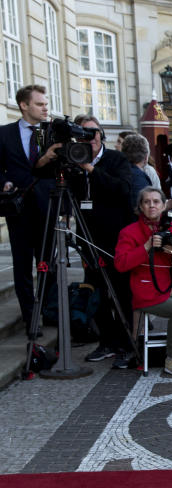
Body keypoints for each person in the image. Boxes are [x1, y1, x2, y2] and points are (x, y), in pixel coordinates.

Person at [114, 187, 172, 377]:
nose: (152, 205)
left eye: (156, 201)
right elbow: (121, 264)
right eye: (147, 202)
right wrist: (146, 246)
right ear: (140, 206)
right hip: (146, 290)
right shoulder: (129, 232)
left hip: (171, 286)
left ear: (164, 205)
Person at [72, 115, 135, 369]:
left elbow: (123, 190)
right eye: (85, 133)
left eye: (94, 132)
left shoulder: (116, 160)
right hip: (88, 237)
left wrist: (91, 170)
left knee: (121, 291)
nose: (91, 137)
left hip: (117, 238)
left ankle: (126, 342)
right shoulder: (73, 160)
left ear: (101, 134)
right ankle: (107, 341)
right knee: (94, 291)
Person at [0, 85, 53, 335]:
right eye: (40, 104)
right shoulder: (5, 134)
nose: (45, 108)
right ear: (24, 105)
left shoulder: (52, 133)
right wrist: (4, 183)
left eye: (45, 104)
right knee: (22, 266)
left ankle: (49, 311)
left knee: (47, 264)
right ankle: (31, 319)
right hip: (18, 208)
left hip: (47, 206)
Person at [120, 133, 153, 212]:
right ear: (146, 157)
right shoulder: (139, 178)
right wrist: (166, 207)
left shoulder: (117, 171)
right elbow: (143, 209)